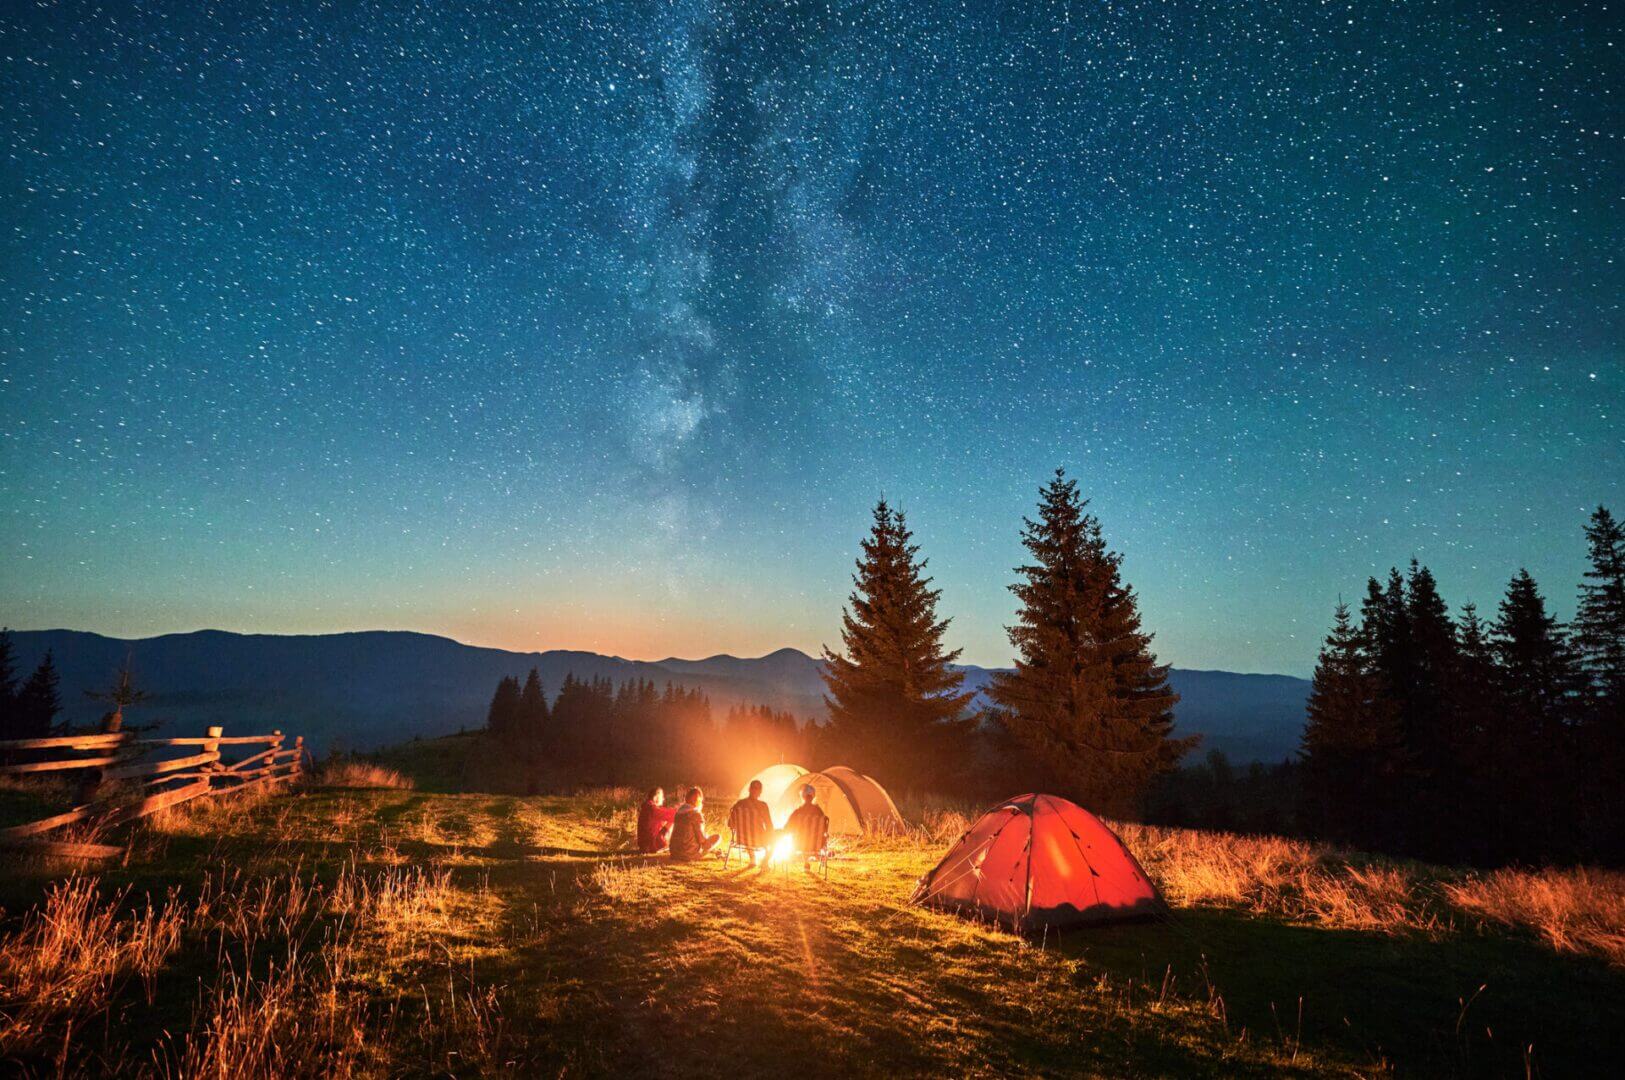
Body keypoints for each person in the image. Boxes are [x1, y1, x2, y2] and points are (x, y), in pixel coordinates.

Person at [727, 779, 775, 867]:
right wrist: (772, 834)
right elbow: (769, 825)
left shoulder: (739, 804)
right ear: (760, 792)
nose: (755, 790)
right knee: (776, 839)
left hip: (742, 839)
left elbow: (730, 824)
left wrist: (742, 828)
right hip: (760, 839)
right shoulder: (763, 806)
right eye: (756, 789)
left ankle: (753, 859)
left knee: (749, 836)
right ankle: (765, 861)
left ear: (749, 789)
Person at [785, 783, 830, 872]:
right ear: (813, 796)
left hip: (799, 844)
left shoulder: (798, 812)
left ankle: (806, 862)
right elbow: (824, 830)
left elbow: (788, 827)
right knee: (815, 837)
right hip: (817, 846)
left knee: (800, 837)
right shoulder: (819, 812)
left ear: (802, 797)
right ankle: (816, 858)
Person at [669, 786, 721, 861]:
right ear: (697, 801)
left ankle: (714, 850)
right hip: (689, 855)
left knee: (706, 837)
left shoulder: (678, 813)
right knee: (717, 837)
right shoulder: (696, 814)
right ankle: (711, 851)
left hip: (674, 853)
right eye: (701, 801)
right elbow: (701, 840)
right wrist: (707, 841)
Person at [637, 787, 677, 854]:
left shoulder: (646, 807)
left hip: (644, 845)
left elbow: (665, 812)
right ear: (656, 798)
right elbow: (673, 814)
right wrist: (681, 809)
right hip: (652, 845)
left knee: (669, 819)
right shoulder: (652, 809)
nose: (663, 799)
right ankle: (671, 844)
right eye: (662, 797)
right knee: (674, 819)